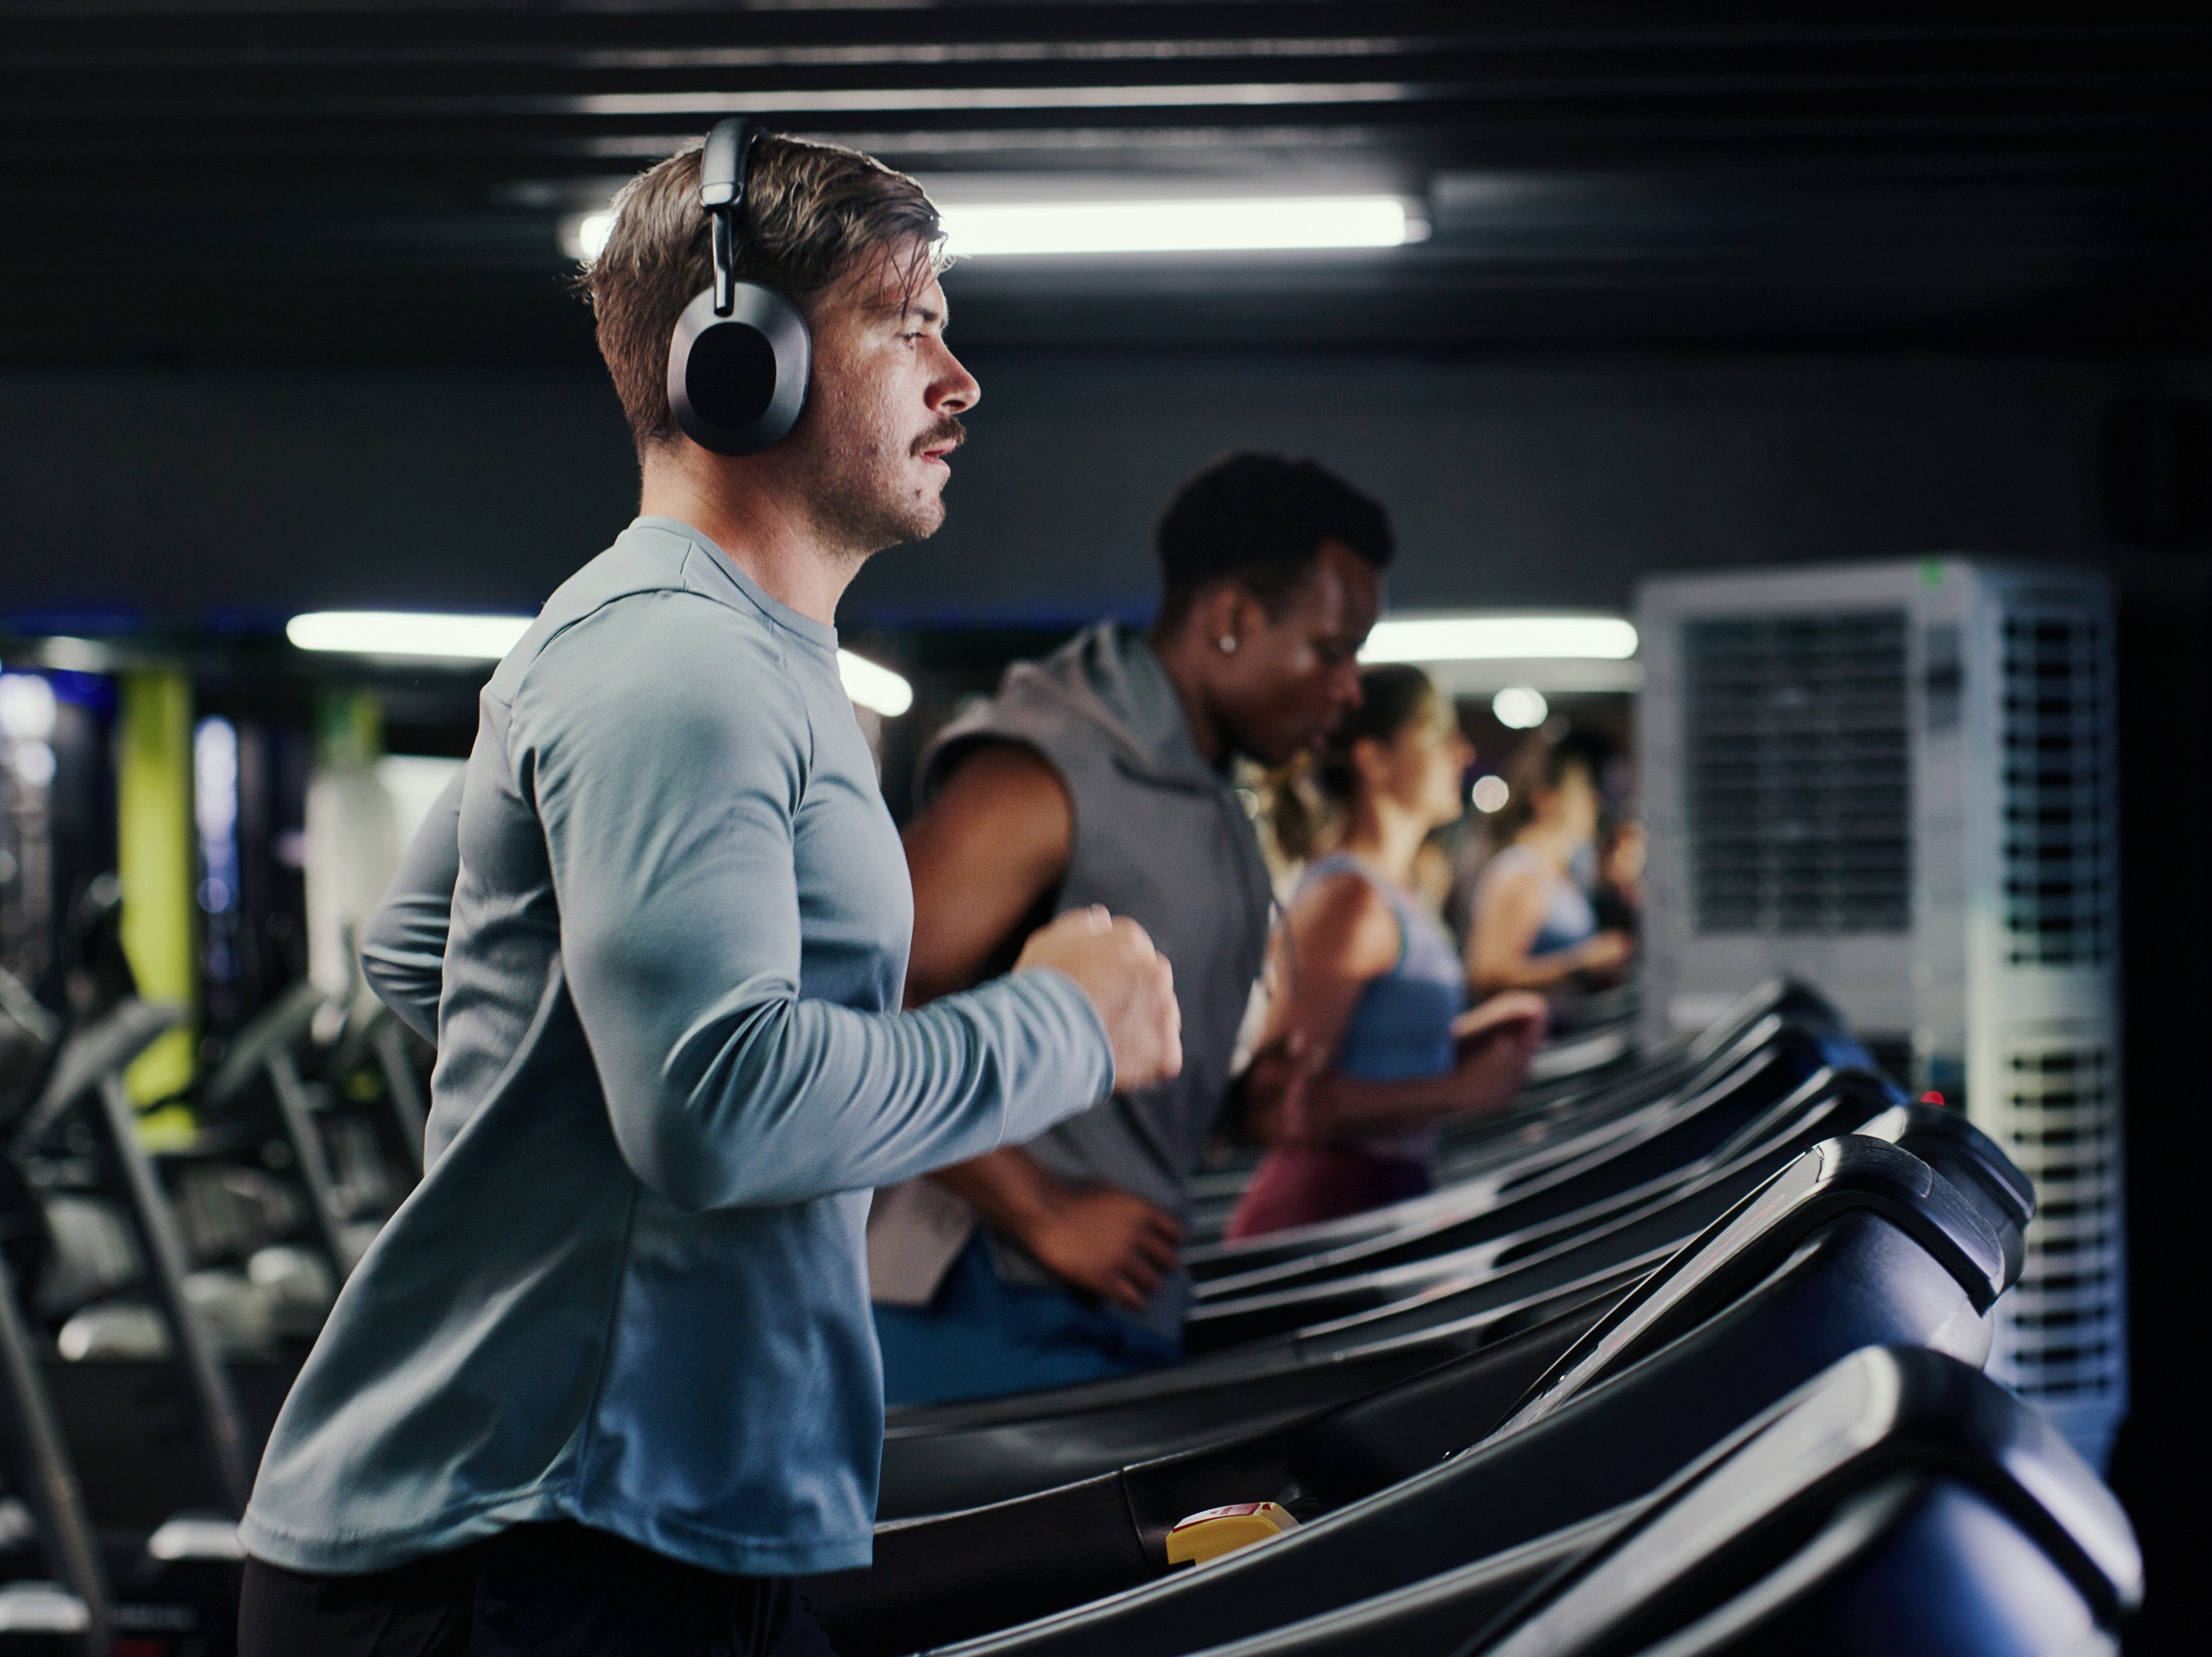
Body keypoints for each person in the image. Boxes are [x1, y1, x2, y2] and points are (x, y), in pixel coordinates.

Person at [232, 127, 1183, 1657]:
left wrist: (577, 1135)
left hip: (632, 1526)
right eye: (906, 327)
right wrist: (1064, 1026)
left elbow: (429, 951)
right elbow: (712, 1106)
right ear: (739, 363)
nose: (959, 381)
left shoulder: (715, 651)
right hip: (528, 1557)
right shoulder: (674, 663)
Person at [866, 451, 1393, 1405]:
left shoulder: (1206, 789)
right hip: (982, 1303)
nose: (1350, 686)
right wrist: (1044, 1209)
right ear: (1231, 620)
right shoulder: (1054, 764)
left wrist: (1237, 1103)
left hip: (1107, 1306)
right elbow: (863, 998)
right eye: (1330, 650)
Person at [1226, 666, 1547, 1240]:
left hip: (1381, 1203)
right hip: (1321, 1219)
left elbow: (1368, 1055)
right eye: (1439, 733)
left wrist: (1465, 1041)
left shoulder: (1397, 889)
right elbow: (1277, 1103)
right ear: (1374, 759)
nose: (1462, 752)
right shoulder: (1350, 900)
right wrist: (1459, 1090)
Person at [1466, 734, 1635, 997]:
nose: (1594, 804)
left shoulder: (1555, 872)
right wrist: (1581, 964)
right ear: (1545, 800)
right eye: (1580, 793)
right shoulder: (1522, 874)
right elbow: (1486, 973)